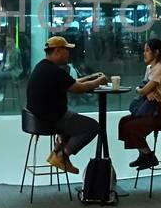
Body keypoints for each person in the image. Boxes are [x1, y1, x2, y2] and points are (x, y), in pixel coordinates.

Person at [27, 36, 107, 174]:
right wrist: (99, 81)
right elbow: (79, 89)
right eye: (66, 50)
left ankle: (57, 151)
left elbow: (71, 82)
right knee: (93, 127)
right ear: (57, 51)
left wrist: (90, 77)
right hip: (51, 119)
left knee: (73, 120)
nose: (68, 54)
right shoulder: (55, 72)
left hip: (39, 117)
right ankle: (62, 156)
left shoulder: (42, 67)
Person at [117, 39, 161, 170]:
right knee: (124, 122)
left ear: (156, 52)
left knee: (131, 127)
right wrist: (145, 91)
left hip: (160, 111)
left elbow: (142, 89)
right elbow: (144, 88)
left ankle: (149, 156)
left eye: (147, 50)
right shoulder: (150, 68)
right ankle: (142, 153)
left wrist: (142, 91)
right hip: (151, 108)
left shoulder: (159, 68)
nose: (144, 53)